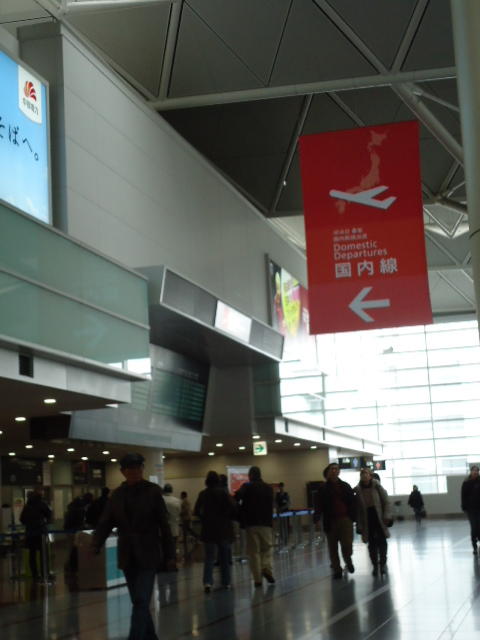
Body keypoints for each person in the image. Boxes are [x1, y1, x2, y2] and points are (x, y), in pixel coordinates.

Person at [92, 453, 174, 640]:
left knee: (141, 600)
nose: (135, 472)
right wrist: (96, 544)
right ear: (123, 471)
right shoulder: (117, 495)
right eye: (130, 469)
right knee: (139, 601)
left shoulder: (153, 492)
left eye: (138, 468)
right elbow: (106, 522)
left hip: (148, 553)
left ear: (142, 469)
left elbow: (164, 525)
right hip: (127, 554)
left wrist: (170, 554)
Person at [194, 471, 236, 592]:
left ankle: (207, 582)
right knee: (224, 558)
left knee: (209, 557)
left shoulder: (203, 494)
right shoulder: (223, 493)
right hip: (223, 529)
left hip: (208, 530)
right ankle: (226, 582)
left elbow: (196, 511)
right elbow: (232, 508)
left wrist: (204, 518)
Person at [314, 463, 356, 579]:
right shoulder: (323, 489)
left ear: (339, 472)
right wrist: (317, 519)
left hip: (345, 520)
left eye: (336, 469)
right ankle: (337, 569)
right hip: (330, 521)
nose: (334, 471)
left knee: (347, 544)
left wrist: (353, 517)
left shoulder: (345, 486)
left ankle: (348, 560)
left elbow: (352, 502)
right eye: (332, 469)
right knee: (332, 547)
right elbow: (318, 505)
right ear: (328, 472)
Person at [235, 465, 275, 587]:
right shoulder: (268, 488)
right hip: (266, 522)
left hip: (251, 523)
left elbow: (236, 497)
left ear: (250, 475)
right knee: (267, 548)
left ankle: (257, 579)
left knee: (254, 552)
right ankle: (266, 567)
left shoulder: (247, 486)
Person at [355, 468, 392, 576]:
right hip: (367, 518)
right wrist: (359, 524)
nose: (364, 476)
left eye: (366, 474)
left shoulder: (377, 486)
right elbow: (358, 509)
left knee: (382, 542)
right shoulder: (358, 490)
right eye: (362, 474)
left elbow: (386, 502)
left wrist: (387, 515)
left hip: (379, 516)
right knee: (371, 544)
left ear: (370, 475)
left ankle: (383, 564)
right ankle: (375, 565)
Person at [20, 490, 52, 580]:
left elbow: (22, 519)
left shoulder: (28, 505)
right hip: (41, 532)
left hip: (30, 533)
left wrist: (29, 524)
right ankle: (44, 573)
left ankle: (35, 574)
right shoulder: (42, 504)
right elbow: (49, 514)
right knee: (43, 554)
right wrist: (44, 521)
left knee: (32, 554)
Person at [461, 465, 480, 554]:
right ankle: (474, 546)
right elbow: (463, 495)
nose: (475, 472)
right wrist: (464, 507)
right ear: (471, 471)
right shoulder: (466, 482)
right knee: (474, 527)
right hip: (471, 509)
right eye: (474, 470)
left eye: (477, 471)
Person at [163, 484, 181, 566]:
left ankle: (165, 562)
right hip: (174, 526)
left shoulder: (161, 499)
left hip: (164, 527)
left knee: (164, 545)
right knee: (174, 545)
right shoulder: (177, 500)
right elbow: (179, 512)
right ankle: (173, 561)